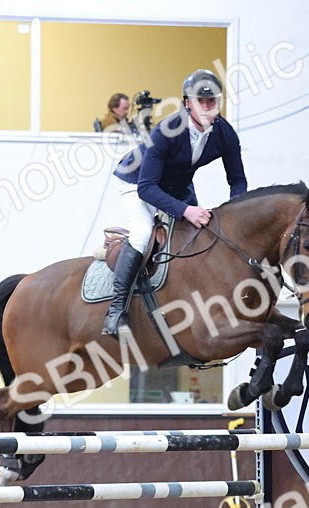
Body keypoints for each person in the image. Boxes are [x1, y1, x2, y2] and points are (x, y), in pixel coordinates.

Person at [103, 69, 247, 337]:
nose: (207, 106)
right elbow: (147, 188)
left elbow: (237, 181)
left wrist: (238, 215)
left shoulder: (225, 133)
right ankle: (115, 312)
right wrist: (186, 210)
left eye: (212, 100)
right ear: (187, 103)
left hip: (177, 186)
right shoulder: (167, 131)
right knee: (143, 232)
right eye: (200, 101)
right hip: (137, 183)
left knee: (202, 234)